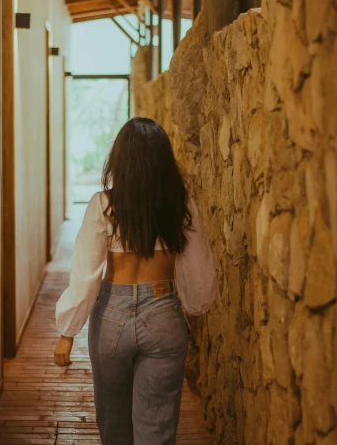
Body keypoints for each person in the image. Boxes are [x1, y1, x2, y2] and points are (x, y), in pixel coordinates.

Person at [53, 117, 216, 445]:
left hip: (112, 316)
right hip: (163, 315)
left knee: (113, 427)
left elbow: (87, 273)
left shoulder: (104, 205)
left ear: (120, 159)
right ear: (163, 161)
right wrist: (195, 311)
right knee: (156, 430)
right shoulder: (180, 206)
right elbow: (197, 269)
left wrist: (67, 332)